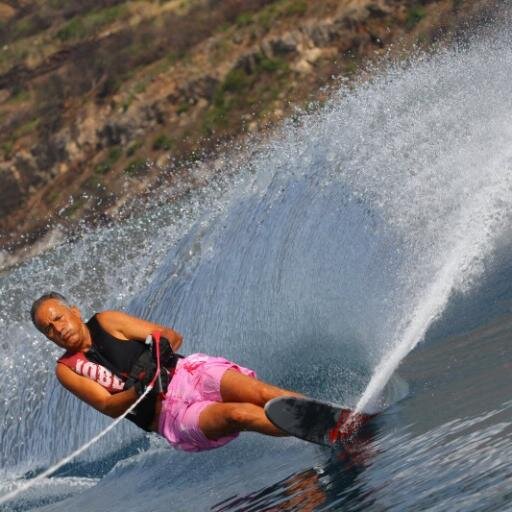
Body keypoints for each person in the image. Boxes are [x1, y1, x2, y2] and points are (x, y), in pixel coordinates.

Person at [31, 292, 300, 452]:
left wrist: (158, 359)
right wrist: (141, 388)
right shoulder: (66, 370)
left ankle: (327, 418)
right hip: (170, 417)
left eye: (59, 318)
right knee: (238, 413)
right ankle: (315, 430)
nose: (58, 328)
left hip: (189, 374)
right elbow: (109, 405)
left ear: (74, 312)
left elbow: (171, 336)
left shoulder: (107, 321)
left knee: (263, 393)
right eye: (48, 329)